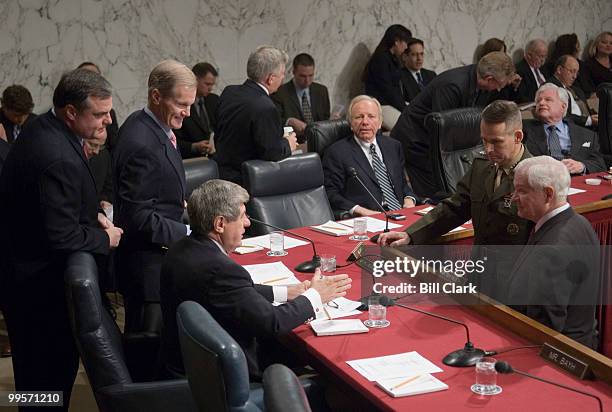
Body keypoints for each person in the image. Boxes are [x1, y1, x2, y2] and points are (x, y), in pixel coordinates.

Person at [0, 68, 123, 411]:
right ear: (71, 111)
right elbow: (61, 235)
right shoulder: (56, 156)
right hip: (37, 291)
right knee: (46, 379)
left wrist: (90, 213)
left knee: (37, 378)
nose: (108, 122)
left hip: (23, 277)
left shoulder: (44, 125)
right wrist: (105, 238)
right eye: (99, 114)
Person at [160, 179, 351, 380]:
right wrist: (315, 297)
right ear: (220, 224)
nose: (248, 223)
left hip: (188, 360)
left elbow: (228, 293)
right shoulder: (220, 270)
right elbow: (272, 323)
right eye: (242, 216)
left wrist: (287, 292)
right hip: (225, 377)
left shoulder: (182, 248)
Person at [381, 100, 533, 299]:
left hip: (515, 285)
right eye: (484, 141)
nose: (487, 149)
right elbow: (454, 208)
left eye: (496, 142)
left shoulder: (535, 176)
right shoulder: (481, 167)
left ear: (517, 137)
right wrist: (411, 234)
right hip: (479, 276)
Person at [113, 59, 195, 333]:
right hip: (148, 271)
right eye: (181, 104)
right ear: (156, 96)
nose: (188, 113)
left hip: (159, 262)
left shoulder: (147, 124)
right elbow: (138, 217)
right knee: (146, 359)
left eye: (190, 104)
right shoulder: (141, 143)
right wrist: (191, 233)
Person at [391, 51, 516, 198]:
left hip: (439, 142)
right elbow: (441, 130)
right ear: (489, 79)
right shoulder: (452, 86)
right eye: (500, 85)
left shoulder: (481, 82)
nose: (499, 90)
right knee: (434, 194)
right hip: (416, 140)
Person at [508, 156, 600, 349]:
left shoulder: (552, 249)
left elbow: (543, 327)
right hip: (583, 343)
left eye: (521, 191)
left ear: (548, 194)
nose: (513, 197)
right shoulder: (580, 222)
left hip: (559, 356)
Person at [214, 45, 297, 185]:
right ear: (271, 79)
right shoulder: (265, 106)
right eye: (282, 73)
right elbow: (271, 152)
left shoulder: (229, 92)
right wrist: (288, 144)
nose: (283, 78)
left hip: (218, 174)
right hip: (244, 182)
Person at [323, 95, 417, 216]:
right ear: (351, 123)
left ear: (380, 122)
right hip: (368, 219)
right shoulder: (337, 152)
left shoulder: (393, 146)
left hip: (401, 214)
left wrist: (409, 199)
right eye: (359, 117)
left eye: (371, 116)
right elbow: (330, 193)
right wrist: (360, 210)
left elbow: (402, 184)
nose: (365, 122)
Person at [523, 83, 606, 174]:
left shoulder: (587, 135)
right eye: (538, 101)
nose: (541, 103)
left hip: (577, 181)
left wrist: (582, 166)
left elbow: (600, 164)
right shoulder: (523, 129)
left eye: (548, 100)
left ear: (563, 106)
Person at [363, 24, 413, 129]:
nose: (406, 47)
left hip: (390, 103)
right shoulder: (381, 59)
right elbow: (387, 90)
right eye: (405, 42)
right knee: (406, 127)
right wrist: (404, 108)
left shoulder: (392, 59)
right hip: (380, 105)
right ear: (396, 41)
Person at [271, 53, 330, 140]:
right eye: (303, 76)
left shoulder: (321, 91)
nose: (307, 80)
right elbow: (274, 123)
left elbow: (325, 118)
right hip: (294, 142)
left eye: (311, 75)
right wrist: (289, 121)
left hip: (320, 140)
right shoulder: (279, 93)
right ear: (294, 72)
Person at [174, 62, 220, 158]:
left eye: (212, 84)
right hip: (191, 160)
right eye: (207, 84)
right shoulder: (180, 104)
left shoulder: (214, 100)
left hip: (215, 158)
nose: (210, 88)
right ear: (194, 80)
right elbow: (173, 140)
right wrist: (193, 147)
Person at [77, 62, 120, 150]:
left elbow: (114, 145)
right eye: (85, 77)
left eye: (95, 77)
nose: (90, 81)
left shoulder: (109, 113)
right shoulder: (70, 112)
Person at [548, 55, 597, 128]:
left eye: (576, 73)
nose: (575, 76)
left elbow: (587, 111)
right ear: (559, 69)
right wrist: (588, 120)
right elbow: (561, 116)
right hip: (572, 130)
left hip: (589, 128)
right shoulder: (549, 88)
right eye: (572, 71)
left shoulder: (576, 90)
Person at [399, 38, 437, 104]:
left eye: (421, 54)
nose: (419, 58)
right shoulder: (399, 77)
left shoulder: (431, 75)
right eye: (414, 54)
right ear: (404, 57)